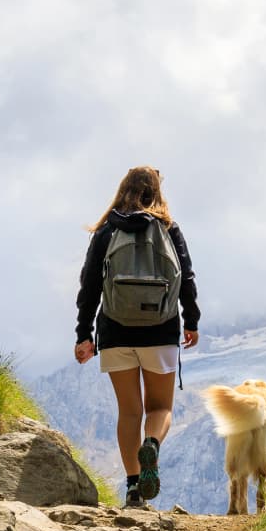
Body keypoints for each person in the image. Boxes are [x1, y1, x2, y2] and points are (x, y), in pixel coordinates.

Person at [74, 166, 200, 508]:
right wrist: (192, 320)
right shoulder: (168, 228)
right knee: (160, 407)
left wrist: (84, 334)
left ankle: (132, 489)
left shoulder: (106, 230)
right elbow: (186, 277)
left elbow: (89, 286)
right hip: (160, 329)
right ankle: (153, 446)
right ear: (157, 190)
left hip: (115, 331)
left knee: (129, 412)